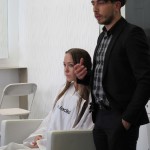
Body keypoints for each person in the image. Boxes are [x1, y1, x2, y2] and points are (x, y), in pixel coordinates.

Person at [74, 0, 150, 150]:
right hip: (100, 116)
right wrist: (83, 77)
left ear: (117, 5)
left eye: (101, 3)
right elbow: (108, 79)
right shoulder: (102, 37)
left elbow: (146, 80)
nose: (95, 9)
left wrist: (127, 119)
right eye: (93, 3)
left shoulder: (132, 34)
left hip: (120, 117)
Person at [0, 48, 93, 150]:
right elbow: (49, 120)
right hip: (44, 143)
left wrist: (45, 141)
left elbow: (77, 135)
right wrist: (39, 136)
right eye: (64, 65)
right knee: (9, 147)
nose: (66, 70)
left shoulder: (89, 100)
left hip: (56, 145)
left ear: (83, 67)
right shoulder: (64, 91)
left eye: (70, 65)